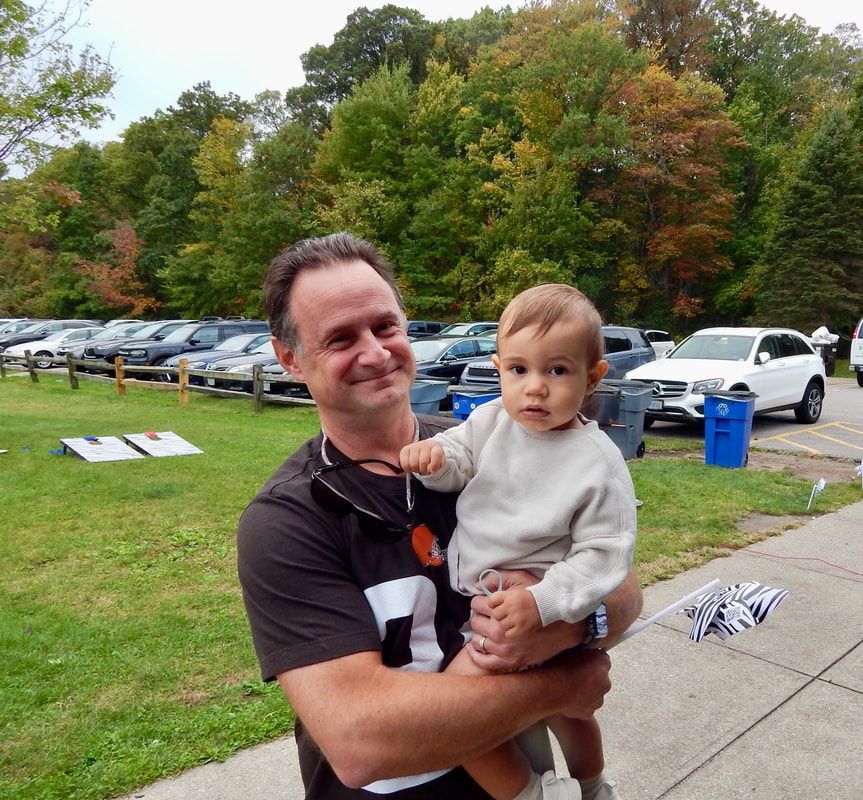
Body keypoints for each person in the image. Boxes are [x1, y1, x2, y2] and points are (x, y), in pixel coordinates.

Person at [237, 232, 643, 799]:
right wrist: (557, 687)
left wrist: (566, 625)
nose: (376, 352)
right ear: (289, 359)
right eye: (340, 338)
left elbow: (621, 584)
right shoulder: (287, 520)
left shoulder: (493, 451)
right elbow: (360, 744)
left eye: (385, 326)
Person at [400, 284, 637, 800]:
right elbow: (459, 457)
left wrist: (543, 602)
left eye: (557, 370)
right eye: (518, 370)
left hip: (530, 613)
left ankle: (551, 792)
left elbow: (606, 554)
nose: (534, 388)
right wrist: (435, 460)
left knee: (453, 720)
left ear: (592, 376)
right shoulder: (490, 422)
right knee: (563, 709)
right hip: (489, 602)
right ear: (498, 366)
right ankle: (592, 788)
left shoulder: (597, 463)